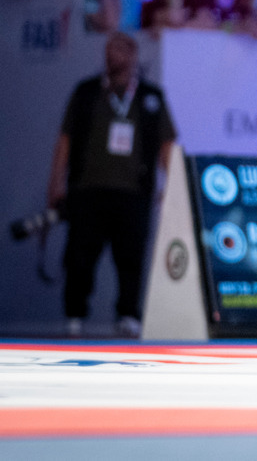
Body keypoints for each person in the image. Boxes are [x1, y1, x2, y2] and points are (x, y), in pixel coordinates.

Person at [47, 33, 177, 337]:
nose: (112, 55)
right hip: (87, 187)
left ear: (132, 55)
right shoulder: (87, 92)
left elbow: (166, 145)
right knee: (80, 255)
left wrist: (170, 187)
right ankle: (74, 314)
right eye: (108, 49)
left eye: (119, 49)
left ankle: (128, 314)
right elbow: (65, 140)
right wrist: (55, 183)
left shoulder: (150, 96)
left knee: (131, 255)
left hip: (133, 190)